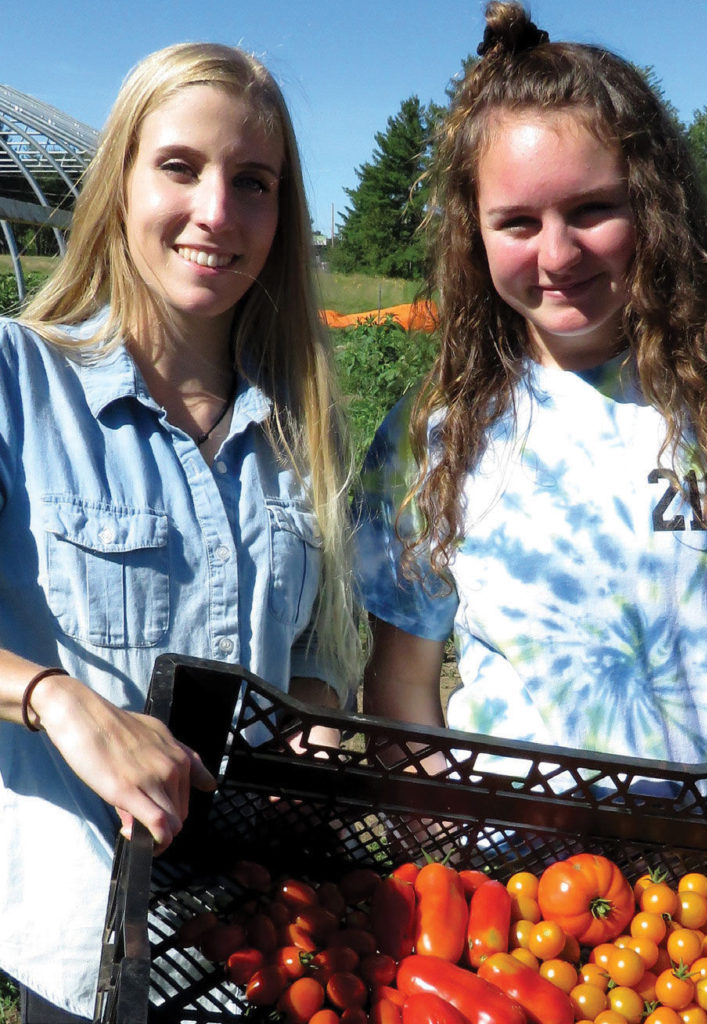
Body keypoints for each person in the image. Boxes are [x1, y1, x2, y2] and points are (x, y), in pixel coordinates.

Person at [355, 1, 707, 939]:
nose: (556, 254)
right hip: (518, 907)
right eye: (516, 221)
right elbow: (402, 685)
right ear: (474, 232)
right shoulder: (437, 430)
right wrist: (445, 871)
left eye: (592, 208)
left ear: (654, 203)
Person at [0, 43, 360, 1021]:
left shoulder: (302, 427)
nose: (216, 211)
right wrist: (54, 697)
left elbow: (323, 651)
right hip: (89, 946)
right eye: (179, 167)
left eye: (253, 182)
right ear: (119, 179)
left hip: (266, 943)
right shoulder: (19, 378)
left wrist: (315, 727)